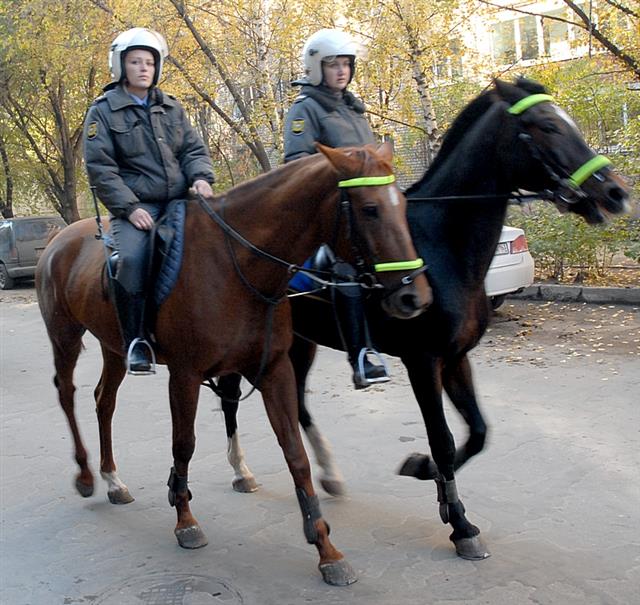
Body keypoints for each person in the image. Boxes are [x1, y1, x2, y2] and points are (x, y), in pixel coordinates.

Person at [83, 28, 215, 375]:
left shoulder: (171, 107)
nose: (143, 68)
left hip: (180, 201)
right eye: (135, 61)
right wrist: (129, 208)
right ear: (120, 65)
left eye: (149, 62)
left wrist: (201, 177)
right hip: (137, 208)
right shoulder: (103, 112)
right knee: (131, 258)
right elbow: (101, 168)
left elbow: (192, 150)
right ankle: (136, 340)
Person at [283, 28, 389, 390]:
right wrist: (340, 175)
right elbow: (296, 162)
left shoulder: (353, 108)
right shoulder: (305, 108)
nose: (341, 71)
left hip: (362, 207)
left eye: (346, 64)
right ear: (317, 68)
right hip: (328, 211)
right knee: (343, 266)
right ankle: (361, 355)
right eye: (333, 65)